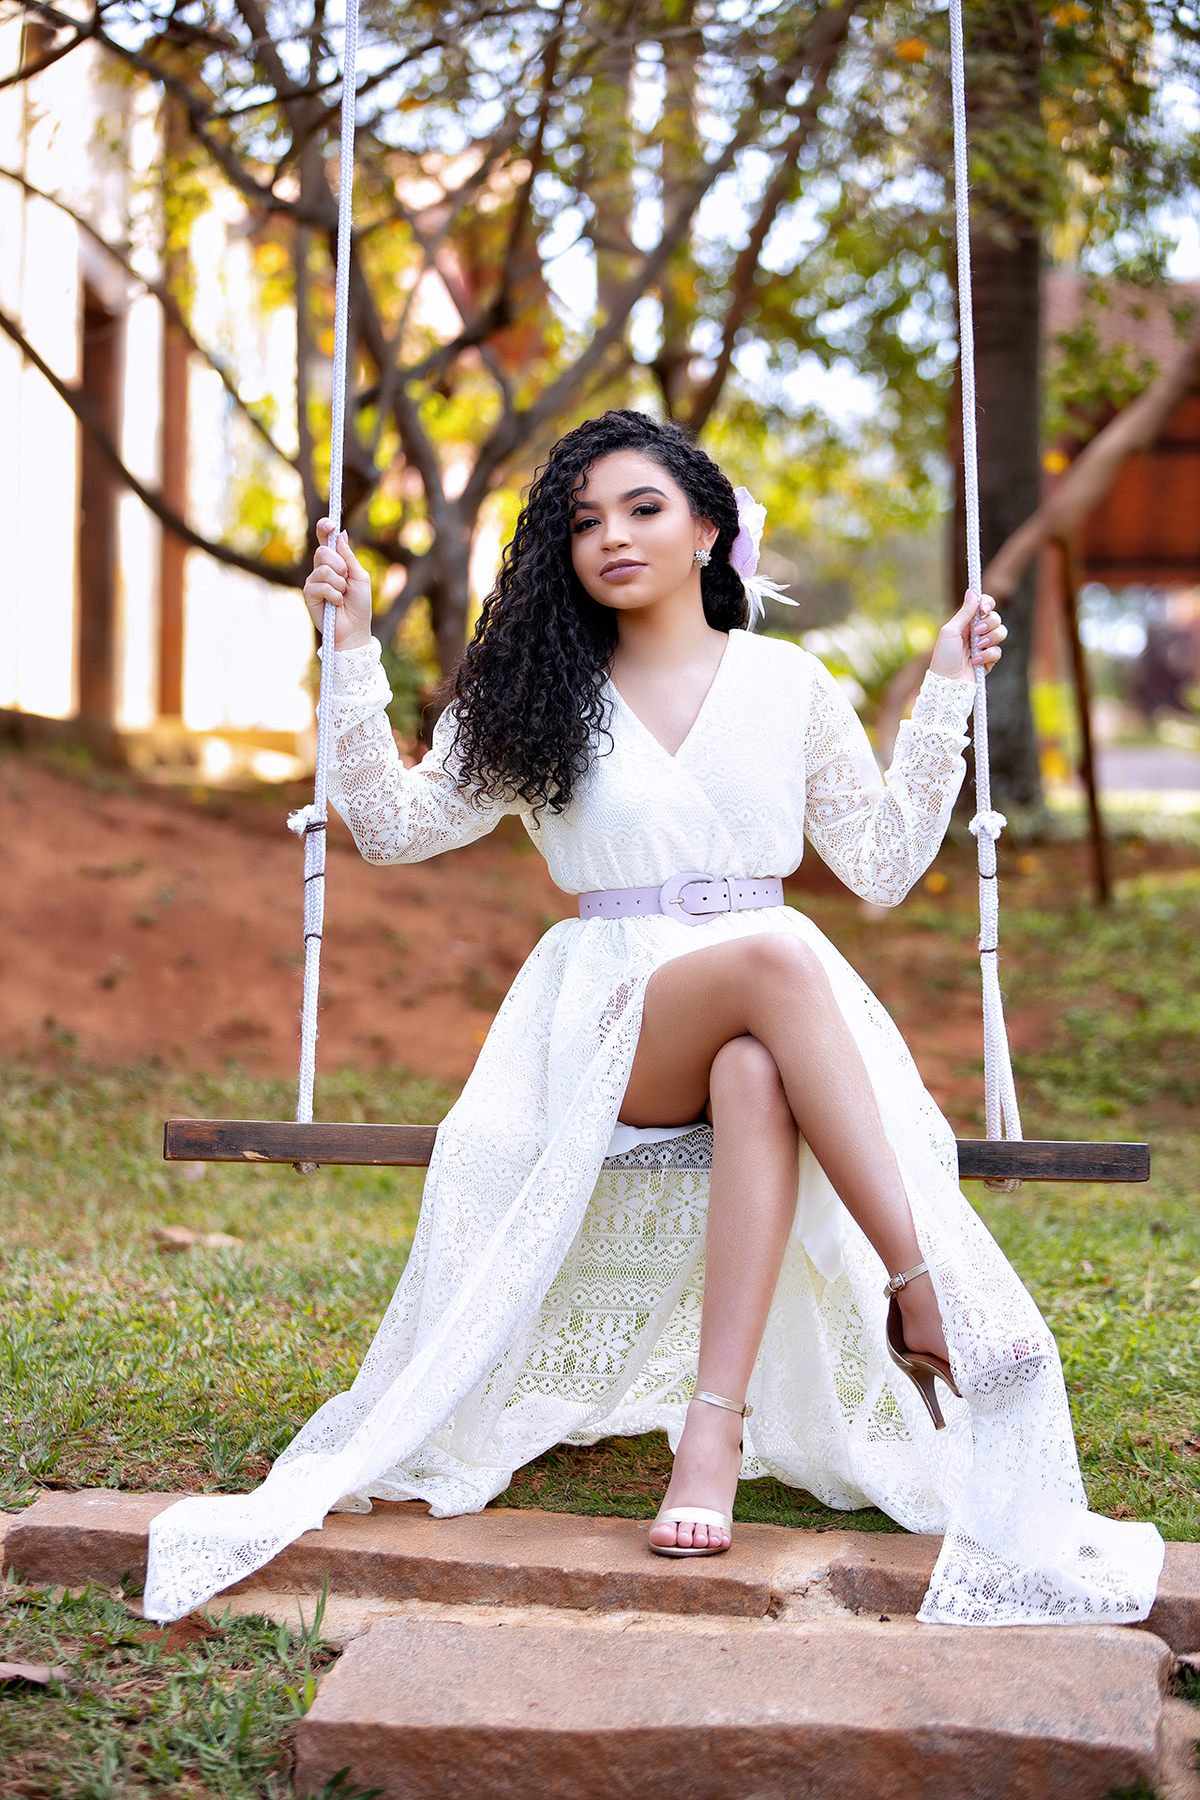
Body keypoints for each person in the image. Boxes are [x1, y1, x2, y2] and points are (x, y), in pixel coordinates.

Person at [143, 410, 1163, 1622]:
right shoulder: (544, 693)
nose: (613, 538)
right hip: (610, 1025)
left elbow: (885, 867)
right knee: (777, 955)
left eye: (643, 510)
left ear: (710, 531)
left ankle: (711, 1437)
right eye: (584, 523)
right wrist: (353, 646)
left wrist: (948, 689)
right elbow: (398, 826)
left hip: (772, 1028)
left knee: (754, 1072)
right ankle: (924, 1289)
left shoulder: (789, 685)